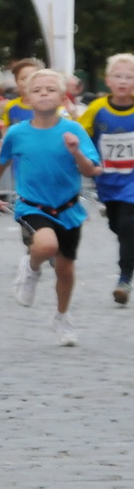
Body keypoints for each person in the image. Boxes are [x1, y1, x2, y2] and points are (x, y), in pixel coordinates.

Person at [0, 68, 101, 346]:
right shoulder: (17, 133)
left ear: (63, 98)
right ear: (27, 99)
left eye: (50, 90)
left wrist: (76, 151)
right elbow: (1, 161)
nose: (44, 94)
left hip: (67, 208)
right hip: (32, 206)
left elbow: (91, 170)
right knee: (46, 246)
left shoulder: (73, 130)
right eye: (37, 90)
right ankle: (31, 267)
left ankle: (62, 317)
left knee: (66, 269)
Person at [76, 53, 134, 303]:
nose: (123, 81)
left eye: (129, 77)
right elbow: (79, 134)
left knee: (127, 225)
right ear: (107, 81)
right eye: (118, 76)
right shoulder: (97, 109)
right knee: (117, 225)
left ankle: (124, 279)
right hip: (108, 181)